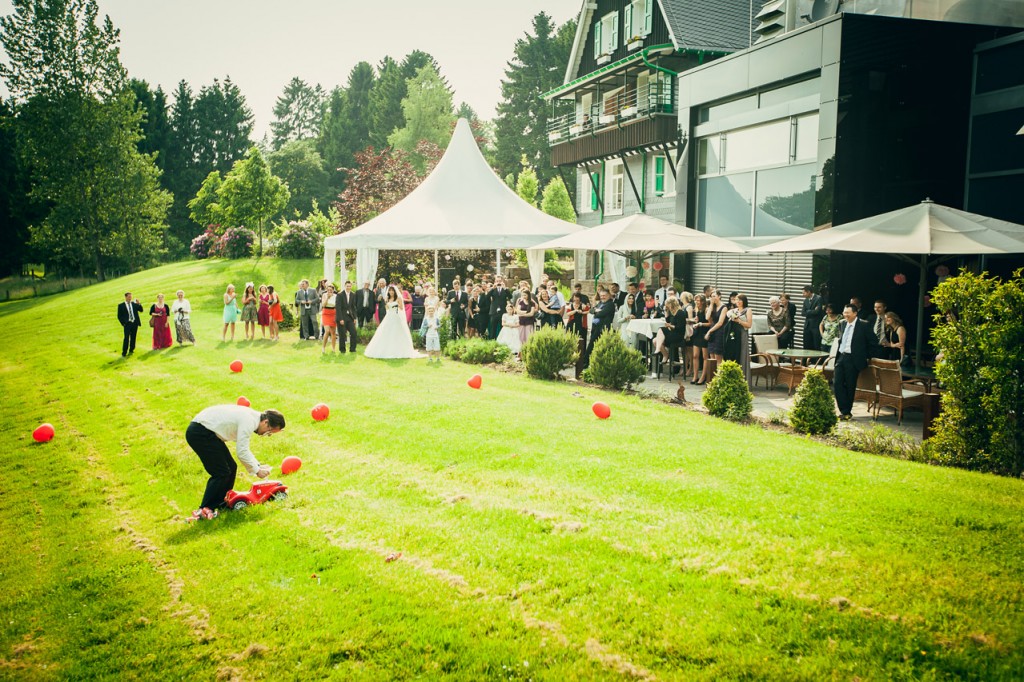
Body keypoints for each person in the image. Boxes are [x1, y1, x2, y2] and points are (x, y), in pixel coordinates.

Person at [185, 404, 284, 522]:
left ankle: (222, 504)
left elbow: (244, 450)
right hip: (200, 433)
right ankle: (204, 510)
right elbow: (241, 451)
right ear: (266, 422)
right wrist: (257, 471)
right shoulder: (249, 421)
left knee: (231, 468)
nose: (265, 435)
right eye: (268, 432)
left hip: (208, 433)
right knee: (220, 473)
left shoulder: (252, 417)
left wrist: (257, 466)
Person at [833, 304, 878, 421]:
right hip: (841, 357)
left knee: (850, 385)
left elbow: (873, 342)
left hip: (854, 359)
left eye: (848, 313)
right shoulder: (842, 323)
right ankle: (844, 408)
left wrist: (865, 356)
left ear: (855, 313)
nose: (845, 315)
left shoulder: (864, 325)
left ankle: (846, 412)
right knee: (837, 383)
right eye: (844, 312)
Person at [364, 285, 425, 359]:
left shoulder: (398, 298)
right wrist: (387, 304)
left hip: (396, 316)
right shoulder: (388, 298)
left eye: (392, 290)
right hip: (389, 316)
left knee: (397, 332)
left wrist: (396, 304)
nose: (391, 292)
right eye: (390, 290)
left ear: (395, 291)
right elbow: (387, 308)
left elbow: (401, 308)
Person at [724, 293, 754, 385]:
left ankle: (743, 380)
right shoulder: (734, 310)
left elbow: (749, 325)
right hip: (733, 335)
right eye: (737, 300)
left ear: (744, 301)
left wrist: (739, 321)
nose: (738, 302)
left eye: (740, 300)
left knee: (742, 354)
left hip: (742, 334)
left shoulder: (748, 310)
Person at [704, 290, 728, 378]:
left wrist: (709, 331)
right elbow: (707, 317)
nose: (713, 298)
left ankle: (720, 377)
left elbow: (720, 323)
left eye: (714, 296)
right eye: (711, 296)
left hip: (719, 331)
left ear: (719, 296)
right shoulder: (712, 306)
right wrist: (711, 305)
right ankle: (713, 378)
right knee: (712, 355)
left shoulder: (724, 307)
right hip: (712, 330)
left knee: (718, 357)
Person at [587, 287, 615, 361]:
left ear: (608, 295)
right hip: (595, 326)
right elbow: (591, 310)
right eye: (601, 295)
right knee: (592, 344)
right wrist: (596, 310)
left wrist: (596, 311)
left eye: (604, 295)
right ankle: (590, 361)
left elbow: (600, 314)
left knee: (594, 345)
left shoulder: (610, 304)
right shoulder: (600, 303)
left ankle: (586, 362)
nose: (602, 297)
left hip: (603, 328)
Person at [688, 293, 709, 384]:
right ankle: (695, 375)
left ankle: (703, 376)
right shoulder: (697, 309)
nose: (697, 302)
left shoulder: (706, 310)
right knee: (695, 355)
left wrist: (700, 324)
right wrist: (695, 321)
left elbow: (710, 323)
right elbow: (697, 319)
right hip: (697, 333)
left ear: (703, 301)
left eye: (698, 300)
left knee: (705, 356)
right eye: (696, 300)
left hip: (704, 333)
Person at [117, 291, 144, 356]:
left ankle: (131, 349)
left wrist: (139, 303)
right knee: (126, 338)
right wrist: (123, 323)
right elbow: (119, 316)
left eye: (131, 297)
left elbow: (141, 310)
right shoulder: (121, 306)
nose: (130, 298)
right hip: (127, 324)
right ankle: (124, 352)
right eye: (129, 297)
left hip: (134, 323)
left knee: (133, 337)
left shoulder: (134, 304)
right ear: (126, 297)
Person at [335, 280, 358, 353]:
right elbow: (338, 308)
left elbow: (353, 307)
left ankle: (353, 349)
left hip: (350, 317)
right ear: (345, 286)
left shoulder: (353, 294)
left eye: (350, 286)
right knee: (342, 334)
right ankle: (342, 350)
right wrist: (340, 319)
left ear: (351, 286)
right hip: (342, 317)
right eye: (347, 286)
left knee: (353, 332)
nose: (348, 287)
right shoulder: (340, 295)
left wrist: (354, 318)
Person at [801, 285, 824, 350]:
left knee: (816, 344)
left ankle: (816, 360)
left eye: (804, 293)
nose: (803, 295)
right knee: (806, 344)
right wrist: (812, 310)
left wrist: (808, 311)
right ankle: (806, 359)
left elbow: (817, 312)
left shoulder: (818, 298)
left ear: (808, 292)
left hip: (816, 325)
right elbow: (803, 313)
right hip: (807, 325)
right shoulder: (805, 300)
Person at [320, 283, 338, 353]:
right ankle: (323, 347)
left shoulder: (336, 296)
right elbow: (323, 305)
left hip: (333, 313)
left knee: (333, 332)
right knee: (327, 331)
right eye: (328, 290)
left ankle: (333, 348)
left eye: (331, 290)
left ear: (333, 290)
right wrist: (328, 297)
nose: (329, 291)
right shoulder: (324, 295)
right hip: (326, 313)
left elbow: (337, 305)